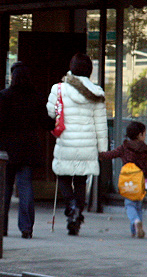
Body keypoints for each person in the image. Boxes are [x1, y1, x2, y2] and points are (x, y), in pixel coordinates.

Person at [0, 62, 55, 239]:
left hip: (7, 149)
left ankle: (0, 227)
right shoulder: (36, 97)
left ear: (13, 77)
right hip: (28, 149)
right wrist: (57, 120)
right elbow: (45, 122)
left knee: (4, 188)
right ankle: (26, 228)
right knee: (25, 187)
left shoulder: (4, 96)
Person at [46, 53, 108, 236]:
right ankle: (77, 213)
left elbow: (51, 113)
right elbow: (101, 124)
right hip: (87, 144)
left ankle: (71, 206)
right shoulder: (97, 92)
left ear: (71, 68)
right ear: (89, 71)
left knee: (64, 177)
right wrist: (103, 149)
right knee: (81, 180)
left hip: (66, 140)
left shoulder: (59, 89)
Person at [99, 121, 147, 238]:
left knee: (129, 204)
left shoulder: (125, 147)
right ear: (140, 135)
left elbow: (111, 154)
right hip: (140, 182)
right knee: (138, 204)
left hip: (128, 181)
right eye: (144, 133)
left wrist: (100, 155)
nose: (145, 136)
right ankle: (135, 229)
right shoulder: (146, 150)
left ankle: (135, 222)